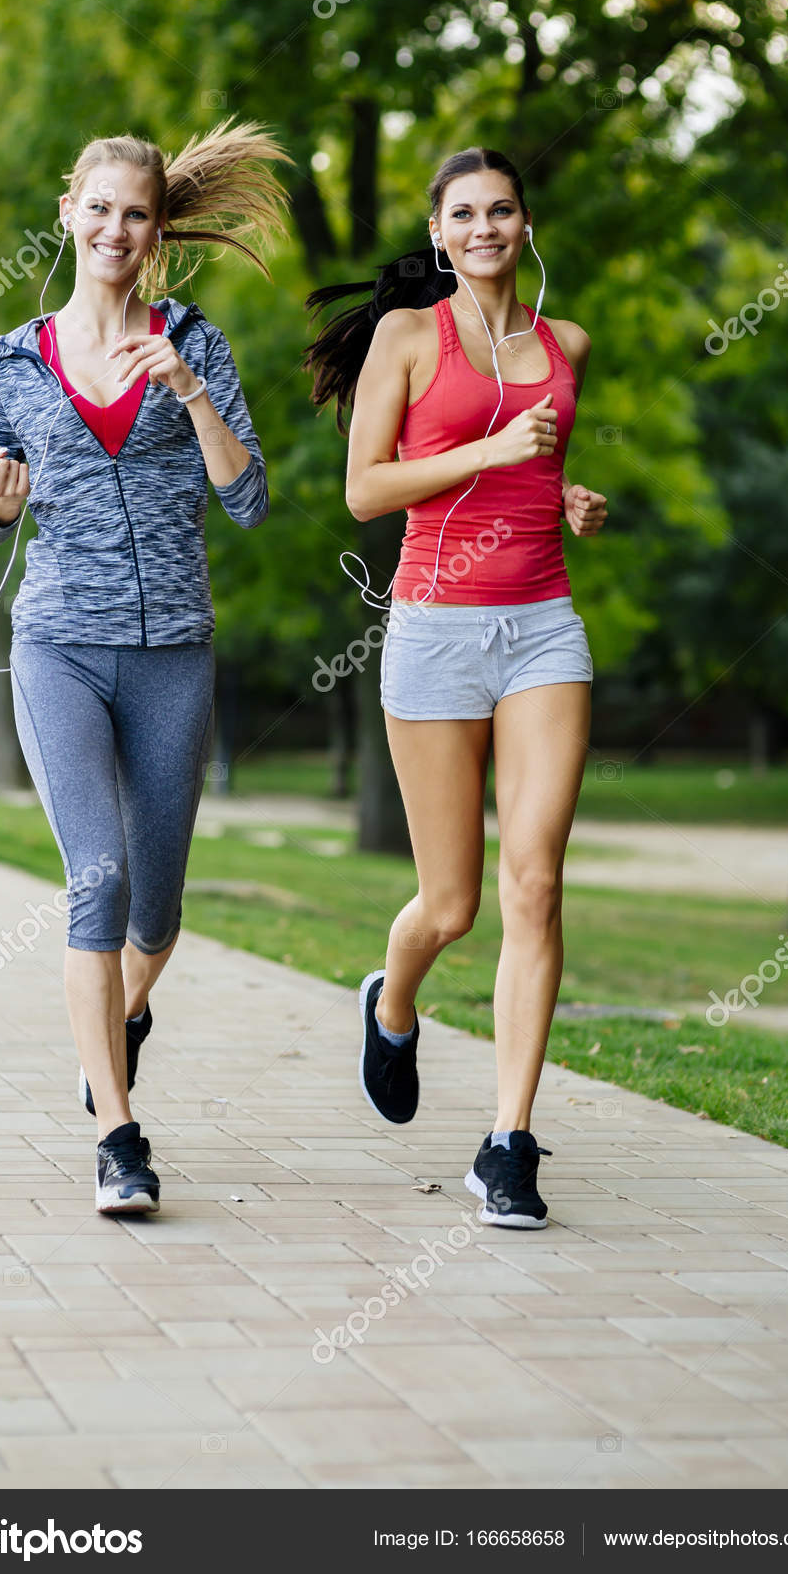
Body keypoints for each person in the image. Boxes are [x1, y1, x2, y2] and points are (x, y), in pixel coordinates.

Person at [0, 122, 290, 1215]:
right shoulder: (12, 358)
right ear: (69, 212)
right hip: (58, 644)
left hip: (172, 656)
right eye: (97, 207)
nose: (115, 228)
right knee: (94, 881)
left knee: (156, 910)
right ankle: (118, 1133)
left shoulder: (193, 341)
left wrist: (192, 392)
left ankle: (123, 1010)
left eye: (135, 213)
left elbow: (247, 502)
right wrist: (0, 502)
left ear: (157, 230)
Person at [304, 146, 608, 1230]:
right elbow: (363, 489)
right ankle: (390, 1004)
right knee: (453, 903)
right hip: (433, 634)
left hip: (541, 632)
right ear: (438, 233)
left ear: (527, 225)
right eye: (463, 213)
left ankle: (508, 1141)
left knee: (534, 884)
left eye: (503, 209)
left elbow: (529, 467)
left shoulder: (562, 344)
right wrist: (488, 447)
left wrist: (565, 493)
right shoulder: (403, 337)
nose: (484, 226)